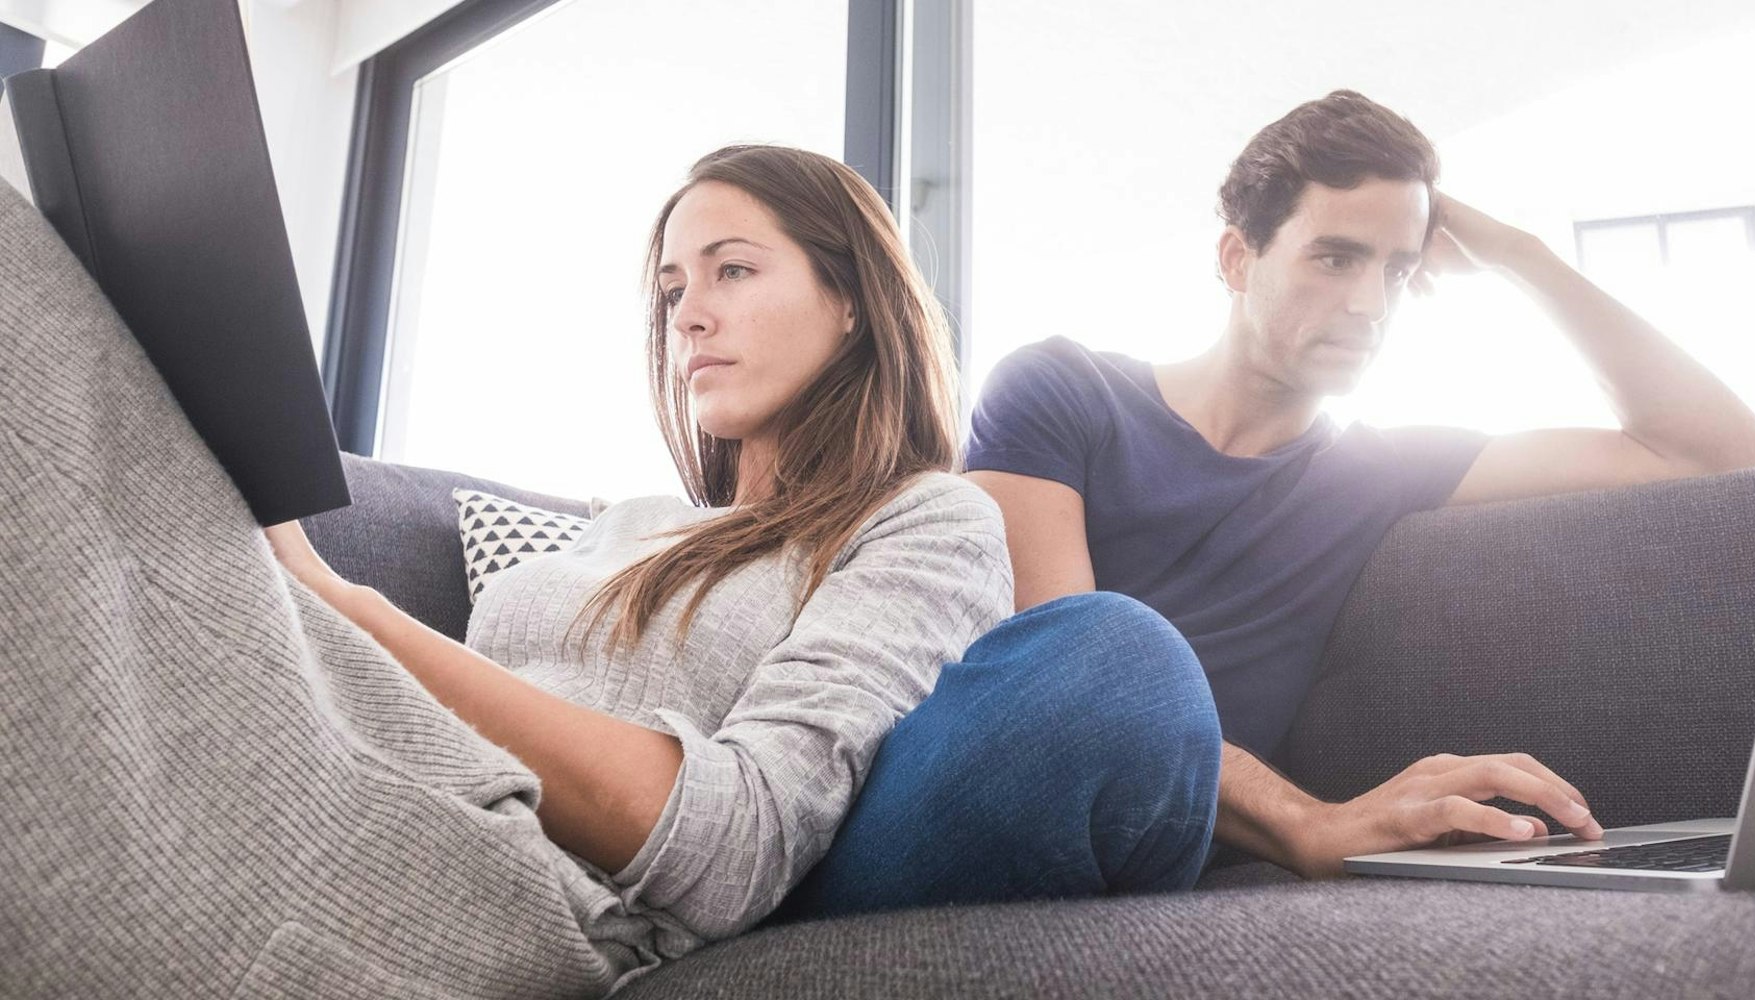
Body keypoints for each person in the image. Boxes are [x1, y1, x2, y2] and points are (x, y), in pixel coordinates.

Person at [1, 145, 1217, 997]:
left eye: (733, 270)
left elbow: (733, 847)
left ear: (851, 301)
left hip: (524, 879)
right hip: (364, 754)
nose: (687, 313)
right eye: (673, 288)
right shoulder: (626, 520)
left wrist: (339, 603)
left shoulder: (920, 519)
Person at [963, 90, 1755, 880]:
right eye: (1335, 258)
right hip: (986, 798)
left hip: (1148, 850)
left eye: (1398, 270)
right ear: (1237, 258)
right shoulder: (1063, 390)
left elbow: (1726, 451)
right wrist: (1307, 822)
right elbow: (1063, 685)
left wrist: (1519, 255)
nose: (1371, 304)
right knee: (1102, 642)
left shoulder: (1376, 470)